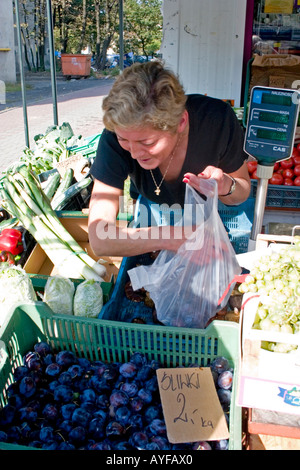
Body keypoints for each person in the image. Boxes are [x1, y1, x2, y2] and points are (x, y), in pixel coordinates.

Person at [88, 60, 251, 258]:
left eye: (147, 142)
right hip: (151, 214)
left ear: (181, 121)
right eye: (124, 140)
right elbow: (99, 239)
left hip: (214, 217)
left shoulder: (217, 120)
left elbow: (242, 192)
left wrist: (225, 185)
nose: (134, 153)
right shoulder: (113, 135)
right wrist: (173, 238)